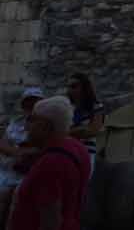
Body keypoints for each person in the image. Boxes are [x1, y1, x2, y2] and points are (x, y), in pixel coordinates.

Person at [8, 95, 91, 230]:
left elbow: (51, 221)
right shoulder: (78, 147)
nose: (25, 127)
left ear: (45, 126)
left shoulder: (51, 163)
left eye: (31, 120)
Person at [0, 88, 43, 226]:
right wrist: (19, 152)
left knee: (14, 201)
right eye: (28, 102)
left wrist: (19, 151)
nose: (31, 106)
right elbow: (2, 145)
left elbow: (41, 148)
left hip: (28, 173)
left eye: (35, 102)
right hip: (8, 169)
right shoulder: (16, 123)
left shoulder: (44, 126)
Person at [66, 73, 103, 171]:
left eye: (74, 86)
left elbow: (93, 131)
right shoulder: (67, 108)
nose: (70, 90)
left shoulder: (96, 107)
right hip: (68, 152)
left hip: (86, 153)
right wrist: (80, 130)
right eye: (69, 87)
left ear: (84, 87)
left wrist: (69, 132)